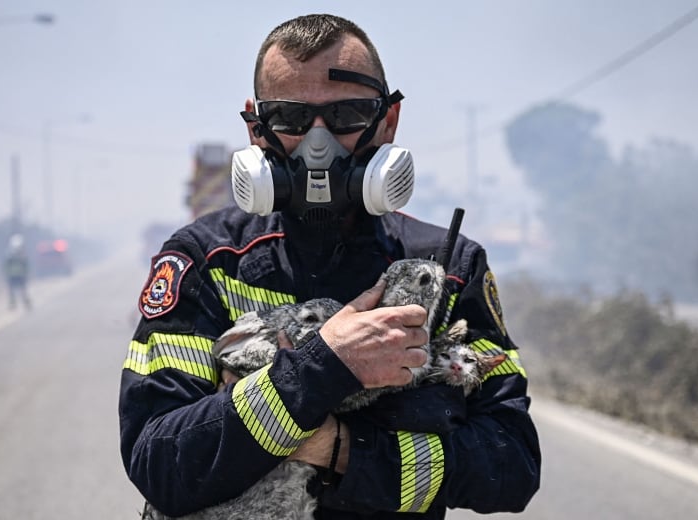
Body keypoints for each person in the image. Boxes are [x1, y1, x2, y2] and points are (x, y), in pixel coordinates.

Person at [119, 13, 540, 518]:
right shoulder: (206, 261)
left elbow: (512, 467)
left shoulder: (446, 268)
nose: (319, 144)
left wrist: (340, 448)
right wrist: (326, 364)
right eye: (291, 119)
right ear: (257, 128)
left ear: (388, 120)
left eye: (346, 116)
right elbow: (161, 463)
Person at [3, 233, 31, 310]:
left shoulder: (21, 254)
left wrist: (26, 273)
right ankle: (14, 305)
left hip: (20, 276)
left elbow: (25, 265)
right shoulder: (10, 255)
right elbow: (6, 265)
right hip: (13, 276)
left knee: (22, 291)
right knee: (13, 292)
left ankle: (26, 304)